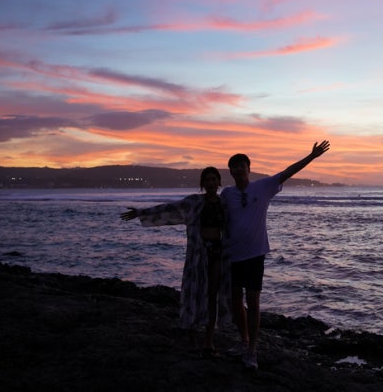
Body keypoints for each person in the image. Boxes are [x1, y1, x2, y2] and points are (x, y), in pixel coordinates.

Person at [221, 140, 330, 370]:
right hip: (231, 255)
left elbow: (288, 172)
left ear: (249, 169)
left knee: (253, 300)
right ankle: (243, 340)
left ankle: (252, 351)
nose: (239, 169)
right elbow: (216, 218)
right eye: (235, 166)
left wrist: (311, 157)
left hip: (254, 254)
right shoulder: (226, 194)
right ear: (230, 171)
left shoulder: (263, 187)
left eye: (242, 165)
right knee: (234, 301)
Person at [120, 166, 231, 357]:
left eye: (214, 179)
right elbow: (169, 207)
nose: (211, 183)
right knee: (194, 294)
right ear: (202, 184)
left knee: (213, 297)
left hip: (217, 254)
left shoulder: (224, 204)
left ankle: (209, 341)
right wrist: (141, 212)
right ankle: (191, 336)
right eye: (207, 180)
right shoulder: (194, 202)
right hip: (198, 254)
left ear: (219, 182)